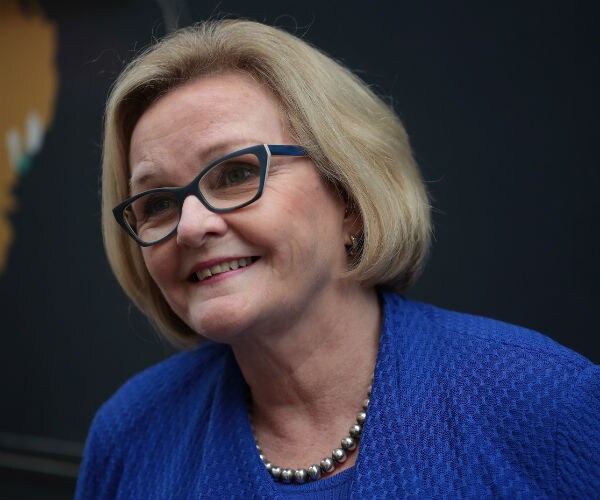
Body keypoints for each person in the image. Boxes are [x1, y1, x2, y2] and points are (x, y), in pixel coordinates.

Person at [76, 19, 599, 499]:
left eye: (235, 174)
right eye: (157, 204)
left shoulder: (545, 403)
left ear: (348, 197)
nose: (191, 226)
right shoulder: (131, 435)